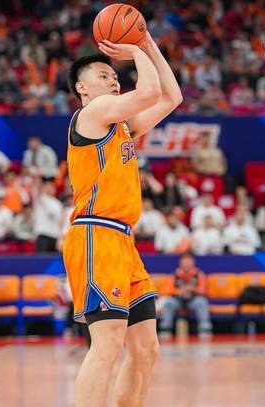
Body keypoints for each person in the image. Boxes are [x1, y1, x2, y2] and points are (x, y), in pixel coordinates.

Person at [63, 30, 182, 407]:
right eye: (104, 75)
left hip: (123, 240)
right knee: (108, 344)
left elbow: (171, 97)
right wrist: (133, 48)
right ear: (82, 88)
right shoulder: (91, 113)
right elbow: (148, 92)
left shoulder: (122, 126)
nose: (114, 80)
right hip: (95, 234)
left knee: (146, 349)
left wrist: (148, 45)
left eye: (115, 76)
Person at [158, 253, 212, 337]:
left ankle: (205, 328)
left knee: (202, 302)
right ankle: (165, 328)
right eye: (184, 261)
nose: (186, 263)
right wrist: (179, 291)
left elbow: (203, 291)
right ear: (181, 262)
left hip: (193, 300)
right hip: (178, 300)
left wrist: (192, 289)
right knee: (168, 303)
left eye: (188, 261)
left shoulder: (199, 274)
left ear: (193, 262)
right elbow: (168, 291)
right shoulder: (175, 275)